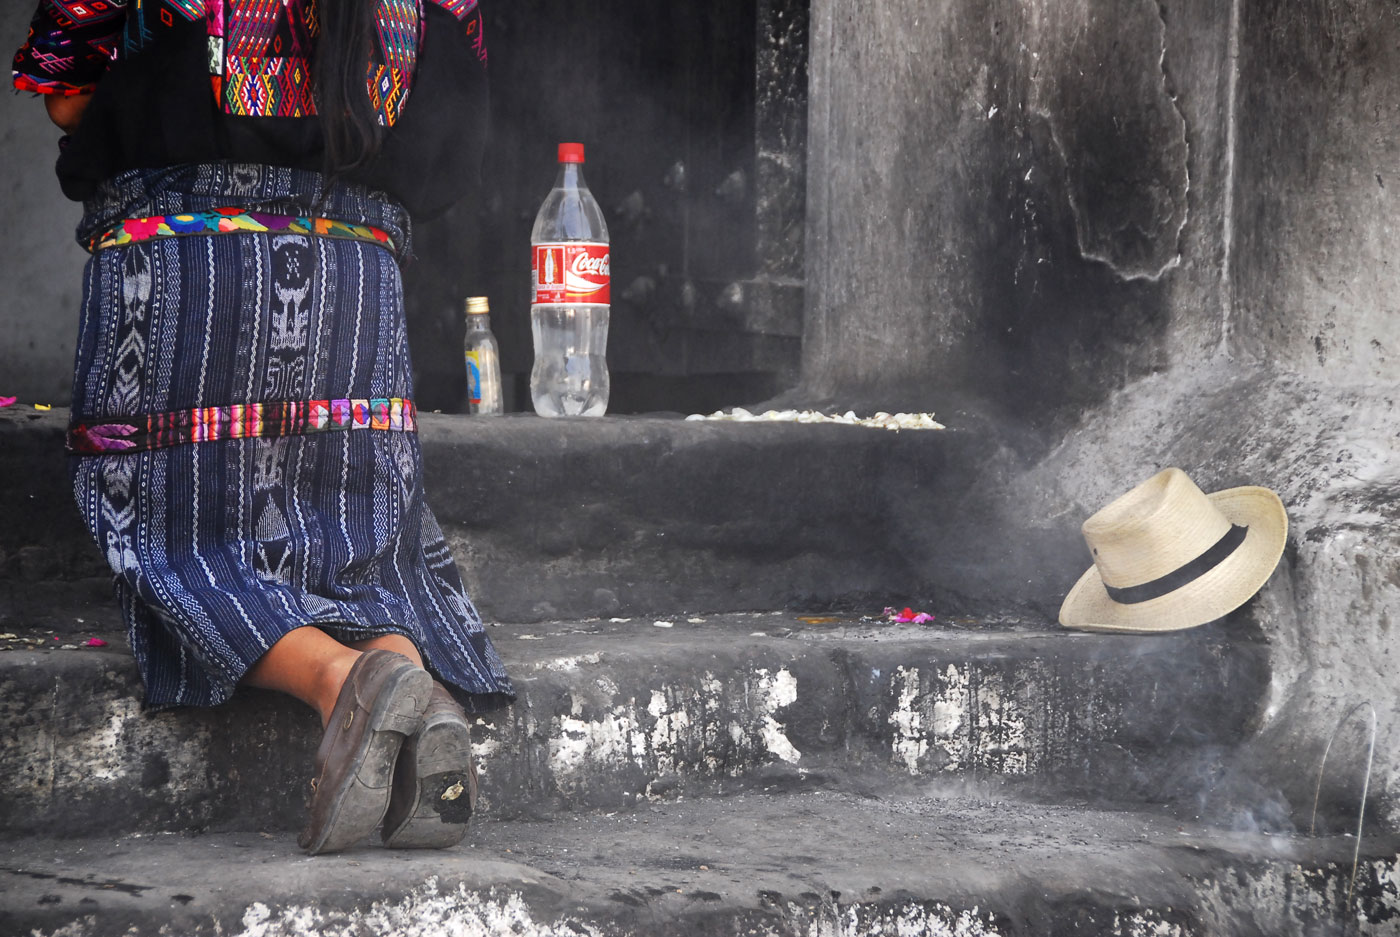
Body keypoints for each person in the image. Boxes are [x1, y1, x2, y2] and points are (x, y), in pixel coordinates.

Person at [12, 0, 514, 854]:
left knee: (180, 532)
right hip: (355, 293)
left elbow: (63, 93)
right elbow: (457, 126)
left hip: (186, 277)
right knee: (359, 546)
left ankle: (339, 678)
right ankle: (416, 690)